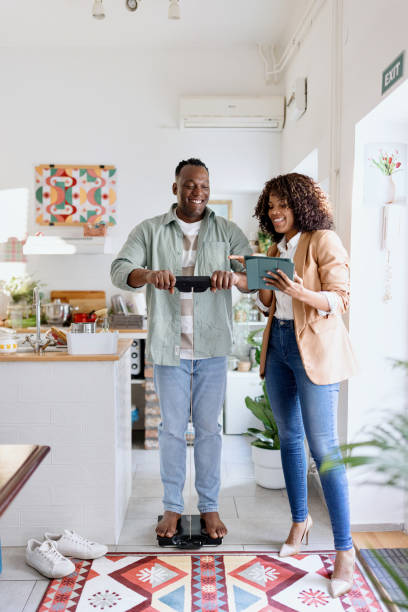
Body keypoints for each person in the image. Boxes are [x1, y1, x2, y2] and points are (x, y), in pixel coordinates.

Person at [111, 158, 252, 540]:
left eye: (205, 186)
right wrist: (149, 274)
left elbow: (254, 275)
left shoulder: (227, 232)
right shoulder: (151, 230)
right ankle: (172, 506)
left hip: (212, 348)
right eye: (190, 185)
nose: (198, 192)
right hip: (168, 349)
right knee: (172, 430)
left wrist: (235, 276)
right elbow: (120, 268)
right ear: (175, 188)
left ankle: (209, 508)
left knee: (209, 430)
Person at [254, 173, 357, 598]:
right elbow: (269, 303)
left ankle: (345, 550)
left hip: (314, 350)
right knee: (290, 440)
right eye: (271, 206)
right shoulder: (276, 247)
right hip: (277, 346)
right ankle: (300, 520)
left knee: (325, 449)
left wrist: (299, 291)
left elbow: (340, 297)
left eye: (284, 205)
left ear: (301, 204)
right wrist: (262, 283)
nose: (277, 213)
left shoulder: (323, 239)